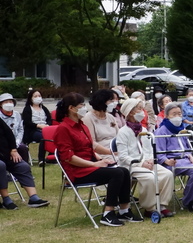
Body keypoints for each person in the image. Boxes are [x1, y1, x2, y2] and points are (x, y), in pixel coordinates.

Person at [54, 93, 141, 226]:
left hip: (91, 165)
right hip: (78, 171)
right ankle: (108, 213)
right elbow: (69, 158)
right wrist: (95, 164)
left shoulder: (82, 125)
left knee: (124, 171)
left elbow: (91, 146)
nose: (84, 107)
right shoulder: (63, 129)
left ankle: (124, 211)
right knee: (117, 173)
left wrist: (103, 158)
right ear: (71, 108)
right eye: (81, 105)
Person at [116, 98, 175, 218]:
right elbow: (123, 156)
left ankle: (161, 205)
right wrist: (142, 163)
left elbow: (148, 149)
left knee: (167, 174)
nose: (142, 111)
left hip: (147, 163)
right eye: (139, 108)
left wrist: (150, 160)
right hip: (131, 165)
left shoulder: (143, 130)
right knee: (149, 178)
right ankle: (149, 207)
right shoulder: (123, 132)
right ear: (131, 111)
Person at [156, 102, 193, 209]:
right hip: (172, 161)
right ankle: (188, 201)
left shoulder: (182, 129)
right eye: (174, 114)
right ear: (166, 116)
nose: (177, 116)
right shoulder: (161, 131)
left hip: (185, 159)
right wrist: (166, 161)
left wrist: (190, 156)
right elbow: (159, 152)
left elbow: (186, 147)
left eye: (179, 114)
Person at [0, 115, 49, 209]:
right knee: (1, 166)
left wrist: (13, 150)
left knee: (22, 166)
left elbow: (9, 134)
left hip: (6, 155)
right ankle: (6, 199)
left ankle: (33, 198)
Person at [82, 89, 120, 160]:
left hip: (117, 150)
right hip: (102, 154)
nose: (113, 103)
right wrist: (111, 152)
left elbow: (119, 136)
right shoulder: (88, 118)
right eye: (111, 101)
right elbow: (91, 143)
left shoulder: (110, 117)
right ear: (102, 102)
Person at [21, 89, 52, 163]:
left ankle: (52, 156)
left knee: (56, 135)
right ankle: (41, 159)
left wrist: (47, 125)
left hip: (45, 129)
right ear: (31, 98)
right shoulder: (27, 109)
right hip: (33, 131)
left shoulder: (44, 108)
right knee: (44, 137)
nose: (38, 97)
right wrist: (38, 125)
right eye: (35, 96)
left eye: (39, 96)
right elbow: (27, 122)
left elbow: (49, 119)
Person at [0, 93, 28, 163]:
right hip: (4, 143)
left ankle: (24, 167)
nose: (9, 104)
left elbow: (20, 130)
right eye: (6, 102)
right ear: (1, 104)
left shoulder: (17, 114)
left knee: (23, 148)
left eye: (10, 102)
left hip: (17, 142)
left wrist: (17, 142)